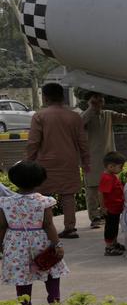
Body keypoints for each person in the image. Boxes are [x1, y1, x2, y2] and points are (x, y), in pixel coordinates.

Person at [25, 83, 89, 239]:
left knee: (43, 196)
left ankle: (44, 227)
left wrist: (29, 161)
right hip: (69, 161)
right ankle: (70, 228)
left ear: (45, 97)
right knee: (68, 195)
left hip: (45, 163)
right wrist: (86, 162)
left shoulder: (39, 116)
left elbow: (33, 142)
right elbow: (83, 142)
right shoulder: (74, 117)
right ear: (62, 97)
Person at [0, 160, 68, 305]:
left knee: (22, 276)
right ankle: (54, 301)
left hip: (15, 244)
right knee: (50, 268)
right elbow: (48, 225)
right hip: (41, 242)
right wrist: (57, 244)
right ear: (40, 180)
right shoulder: (44, 201)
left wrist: (0, 244)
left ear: (13, 179)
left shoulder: (5, 202)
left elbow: (2, 226)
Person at [81, 93, 127, 230]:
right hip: (91, 159)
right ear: (88, 101)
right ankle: (95, 217)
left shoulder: (108, 114)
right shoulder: (84, 115)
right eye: (95, 99)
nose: (99, 101)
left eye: (101, 99)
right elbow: (79, 124)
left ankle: (107, 213)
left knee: (111, 187)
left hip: (109, 159)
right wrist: (91, 108)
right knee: (92, 189)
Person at [99, 151, 127, 256]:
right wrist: (103, 207)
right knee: (110, 227)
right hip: (110, 208)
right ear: (111, 166)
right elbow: (101, 193)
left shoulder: (112, 176)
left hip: (116, 207)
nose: (122, 169)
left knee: (114, 227)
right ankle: (109, 246)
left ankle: (114, 243)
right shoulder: (107, 178)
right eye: (121, 167)